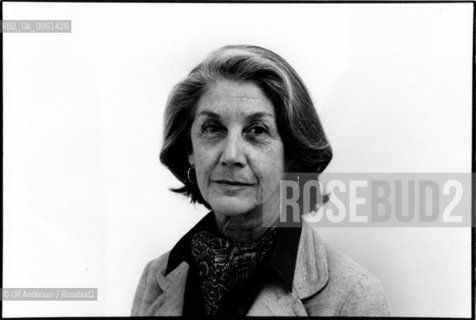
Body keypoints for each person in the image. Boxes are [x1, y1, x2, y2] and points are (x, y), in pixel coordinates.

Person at [131, 45, 390, 316]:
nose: (231, 155)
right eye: (213, 128)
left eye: (257, 130)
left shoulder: (353, 295)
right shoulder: (156, 276)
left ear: (293, 156)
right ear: (189, 150)